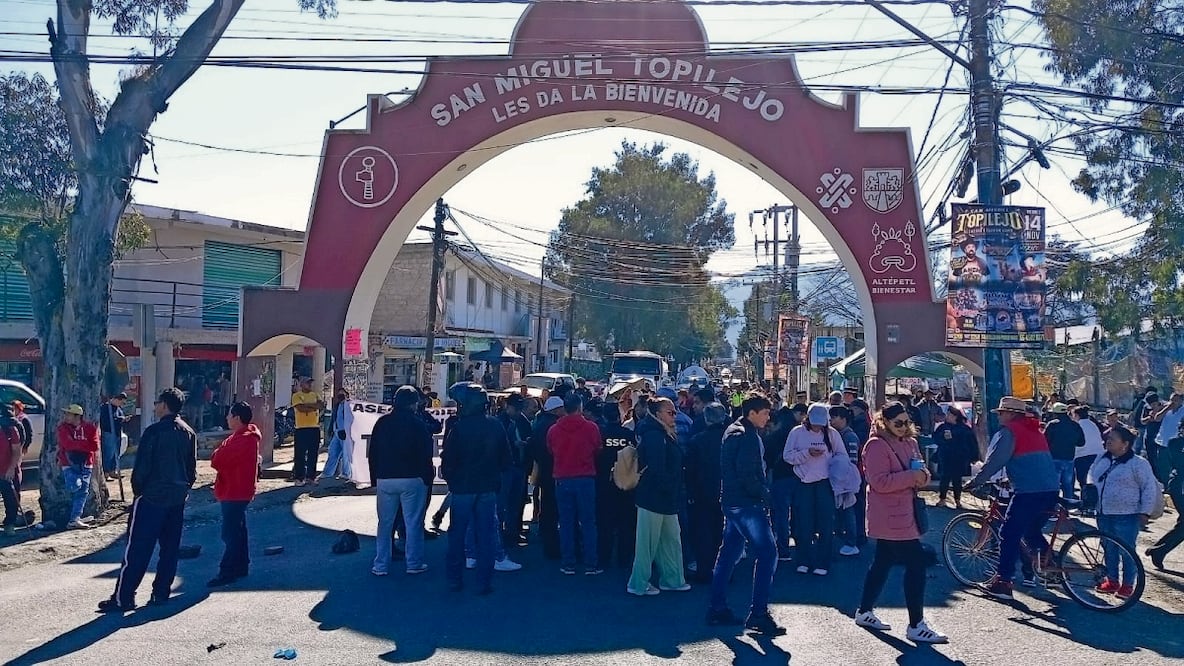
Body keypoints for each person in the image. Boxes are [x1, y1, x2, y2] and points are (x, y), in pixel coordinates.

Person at [855, 402, 948, 644]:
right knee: (916, 563)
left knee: (883, 561)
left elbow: (923, 471)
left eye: (907, 422)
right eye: (898, 423)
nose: (904, 427)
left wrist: (922, 476)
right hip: (888, 515)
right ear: (884, 422)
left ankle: (864, 611)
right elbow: (879, 482)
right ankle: (916, 624)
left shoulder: (911, 442)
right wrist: (912, 477)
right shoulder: (875, 445)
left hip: (906, 512)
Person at [99, 388, 197, 612]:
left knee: (137, 549)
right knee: (169, 549)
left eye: (156, 403)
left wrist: (139, 492)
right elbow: (191, 470)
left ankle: (124, 597)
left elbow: (141, 468)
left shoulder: (154, 432)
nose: (154, 407)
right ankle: (161, 592)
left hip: (152, 497)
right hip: (176, 497)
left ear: (164, 405)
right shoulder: (188, 432)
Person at [706, 394, 785, 636]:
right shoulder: (747, 435)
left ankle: (717, 607)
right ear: (753, 413)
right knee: (768, 553)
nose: (768, 417)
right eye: (765, 413)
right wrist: (765, 496)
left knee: (728, 553)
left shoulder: (733, 430)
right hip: (747, 503)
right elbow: (748, 473)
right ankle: (758, 613)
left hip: (732, 501)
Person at [965, 396, 1059, 600]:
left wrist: (976, 481)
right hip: (1050, 489)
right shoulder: (1035, 430)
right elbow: (1032, 462)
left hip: (1029, 491)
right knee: (1030, 529)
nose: (999, 416)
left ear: (1010, 414)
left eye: (1001, 412)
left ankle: (1004, 582)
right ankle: (1052, 564)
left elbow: (995, 462)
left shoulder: (1009, 432)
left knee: (1008, 532)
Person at [440, 382, 510, 594]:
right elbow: (506, 460)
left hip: (462, 489)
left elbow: (448, 461)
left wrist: (453, 480)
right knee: (486, 535)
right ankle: (484, 582)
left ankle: (455, 579)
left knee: (457, 535)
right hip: (487, 488)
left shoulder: (459, 428)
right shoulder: (496, 425)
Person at [370, 386, 435, 577]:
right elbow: (426, 454)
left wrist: (375, 477)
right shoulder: (417, 424)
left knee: (385, 523)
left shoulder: (382, 423)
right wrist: (426, 478)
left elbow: (372, 452)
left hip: (385, 477)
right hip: (412, 478)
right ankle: (413, 563)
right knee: (413, 523)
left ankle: (380, 565)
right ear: (413, 404)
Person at [1088, 425, 1160, 598]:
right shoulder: (1102, 458)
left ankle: (1128, 585)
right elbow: (1091, 475)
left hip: (1127, 515)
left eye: (1112, 439)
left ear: (1125, 444)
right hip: (1103, 512)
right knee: (1108, 548)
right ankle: (1112, 580)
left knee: (1127, 551)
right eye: (1108, 439)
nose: (1108, 442)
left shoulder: (1138, 464)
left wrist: (1145, 512)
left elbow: (1148, 488)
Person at [627, 396, 689, 596]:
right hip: (655, 497)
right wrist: (671, 488)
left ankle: (673, 579)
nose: (675, 415)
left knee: (669, 541)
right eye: (670, 412)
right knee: (648, 544)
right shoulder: (655, 435)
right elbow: (657, 468)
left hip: (662, 496)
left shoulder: (658, 432)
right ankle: (638, 583)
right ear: (658, 414)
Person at [784, 403, 847, 575]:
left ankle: (823, 562)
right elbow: (787, 456)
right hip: (803, 483)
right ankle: (803, 560)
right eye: (815, 422)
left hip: (825, 483)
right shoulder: (796, 432)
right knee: (804, 523)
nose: (818, 426)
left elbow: (842, 455)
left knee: (826, 524)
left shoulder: (832, 434)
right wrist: (806, 453)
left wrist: (836, 471)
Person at [548, 393, 603, 575]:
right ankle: (591, 563)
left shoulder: (554, 430)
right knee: (588, 522)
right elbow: (598, 449)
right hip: (585, 478)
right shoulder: (591, 428)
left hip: (562, 479)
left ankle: (568, 562)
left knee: (566, 522)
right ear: (580, 408)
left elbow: (551, 450)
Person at [208, 401, 260, 587]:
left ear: (237, 417)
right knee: (238, 530)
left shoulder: (243, 438)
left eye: (229, 415)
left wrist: (218, 451)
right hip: (236, 489)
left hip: (235, 490)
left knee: (230, 533)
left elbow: (217, 459)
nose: (227, 418)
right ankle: (241, 565)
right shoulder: (241, 436)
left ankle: (227, 570)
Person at [686, 402, 728, 582]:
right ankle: (725, 570)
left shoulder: (697, 440)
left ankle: (704, 569)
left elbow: (690, 469)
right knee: (723, 532)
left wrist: (690, 492)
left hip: (702, 492)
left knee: (702, 531)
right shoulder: (731, 439)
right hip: (727, 491)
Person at [595, 402, 638, 569]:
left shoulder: (600, 434)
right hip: (626, 484)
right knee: (625, 523)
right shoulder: (628, 434)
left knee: (605, 523)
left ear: (604, 416)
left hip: (604, 483)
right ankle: (624, 558)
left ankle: (604, 556)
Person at [527, 395, 565, 559]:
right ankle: (553, 543)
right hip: (554, 470)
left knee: (546, 505)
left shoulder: (539, 424)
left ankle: (545, 535)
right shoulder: (554, 426)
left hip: (543, 470)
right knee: (553, 508)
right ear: (556, 410)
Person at [497, 394, 533, 547]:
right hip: (505, 468)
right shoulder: (500, 421)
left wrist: (527, 444)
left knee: (516, 503)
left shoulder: (523, 421)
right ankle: (498, 535)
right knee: (501, 503)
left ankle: (512, 533)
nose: (517, 412)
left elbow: (530, 436)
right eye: (515, 408)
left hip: (520, 465)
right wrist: (514, 444)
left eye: (520, 409)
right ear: (507, 406)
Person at [1146, 422, 1184, 570]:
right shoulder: (1175, 443)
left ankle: (1158, 550)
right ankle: (1158, 550)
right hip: (1179, 486)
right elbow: (1178, 463)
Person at [56, 404, 100, 530]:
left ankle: (74, 519)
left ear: (77, 416)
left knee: (83, 492)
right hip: (68, 463)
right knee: (75, 485)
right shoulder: (63, 428)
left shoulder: (90, 428)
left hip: (86, 464)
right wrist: (84, 444)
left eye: (68, 414)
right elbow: (67, 444)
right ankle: (73, 517)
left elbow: (95, 446)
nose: (66, 416)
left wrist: (77, 445)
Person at [830, 405, 863, 556]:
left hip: (847, 481)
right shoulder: (837, 434)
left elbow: (852, 461)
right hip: (839, 480)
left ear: (843, 419)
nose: (831, 420)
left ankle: (851, 541)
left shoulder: (849, 436)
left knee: (848, 511)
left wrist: (842, 477)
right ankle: (841, 539)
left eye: (834, 417)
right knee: (841, 511)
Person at [934, 406, 978, 508]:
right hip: (945, 457)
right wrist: (943, 438)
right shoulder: (943, 427)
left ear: (955, 416)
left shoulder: (964, 429)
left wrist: (974, 456)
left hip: (959, 458)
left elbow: (972, 443)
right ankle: (942, 499)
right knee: (944, 478)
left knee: (957, 479)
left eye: (950, 414)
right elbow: (936, 438)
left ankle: (957, 500)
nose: (947, 416)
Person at [1044, 402, 1085, 499]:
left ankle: (1052, 507)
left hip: (1054, 459)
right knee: (1068, 486)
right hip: (1069, 459)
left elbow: (1044, 441)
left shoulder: (1052, 425)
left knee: (1054, 486)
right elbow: (1081, 442)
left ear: (1055, 413)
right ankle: (1067, 507)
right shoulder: (1075, 425)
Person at [290, 377, 325, 485]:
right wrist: (313, 407)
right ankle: (299, 478)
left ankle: (311, 477)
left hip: (314, 428)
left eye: (310, 383)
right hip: (301, 428)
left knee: (313, 454)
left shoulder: (315, 395)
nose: (309, 385)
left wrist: (308, 405)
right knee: (300, 454)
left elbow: (320, 405)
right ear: (301, 384)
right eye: (307, 383)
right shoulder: (296, 396)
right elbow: (300, 408)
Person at [1071, 405, 1106, 502]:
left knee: (1083, 482)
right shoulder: (1092, 424)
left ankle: (1085, 505)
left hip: (1083, 456)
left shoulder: (1078, 426)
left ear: (1077, 415)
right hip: (1098, 455)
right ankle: (1094, 503)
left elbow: (1078, 444)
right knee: (1093, 481)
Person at [318, 388, 353, 483]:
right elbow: (334, 418)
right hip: (337, 432)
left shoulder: (349, 406)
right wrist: (330, 429)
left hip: (345, 433)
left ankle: (346, 474)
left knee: (346, 455)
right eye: (339, 396)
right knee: (333, 452)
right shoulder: (337, 406)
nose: (341, 397)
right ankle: (327, 473)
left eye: (343, 395)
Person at [98, 392, 131, 481]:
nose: (122, 404)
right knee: (108, 453)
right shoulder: (105, 408)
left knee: (116, 453)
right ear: (117, 399)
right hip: (108, 433)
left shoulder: (118, 409)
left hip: (117, 433)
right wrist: (120, 419)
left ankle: (112, 471)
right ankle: (105, 473)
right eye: (122, 402)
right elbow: (105, 421)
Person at [1152, 392, 1184, 482]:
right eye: (1171, 400)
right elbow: (1157, 418)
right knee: (1163, 467)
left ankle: (1173, 488)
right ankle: (1166, 487)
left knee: (1175, 468)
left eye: (1176, 400)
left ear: (1181, 401)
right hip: (1162, 442)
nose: (1173, 402)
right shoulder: (1166, 410)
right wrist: (1166, 409)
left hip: (1175, 445)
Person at [0, 404, 21, 536]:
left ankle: (10, 524)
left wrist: (11, 468)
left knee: (10, 499)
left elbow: (16, 450)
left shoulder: (10, 429)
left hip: (6, 469)